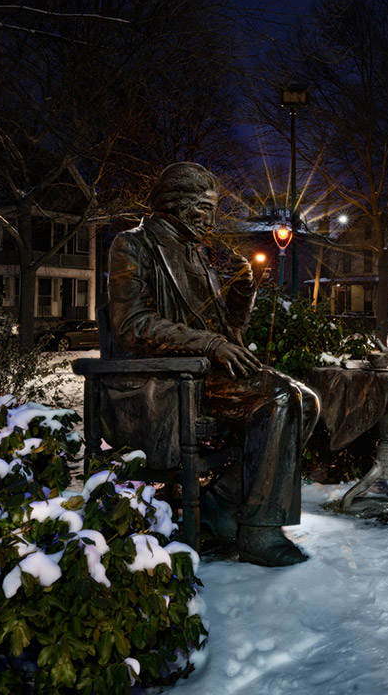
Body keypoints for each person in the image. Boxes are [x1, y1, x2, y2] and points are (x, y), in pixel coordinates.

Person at [107, 162, 320, 567]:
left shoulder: (198, 256)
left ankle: (222, 501)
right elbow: (131, 325)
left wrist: (243, 293)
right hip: (167, 378)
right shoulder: (133, 245)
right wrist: (210, 342)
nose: (210, 218)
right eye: (205, 208)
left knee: (304, 400)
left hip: (206, 374)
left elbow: (228, 330)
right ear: (176, 205)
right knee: (278, 400)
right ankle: (259, 531)